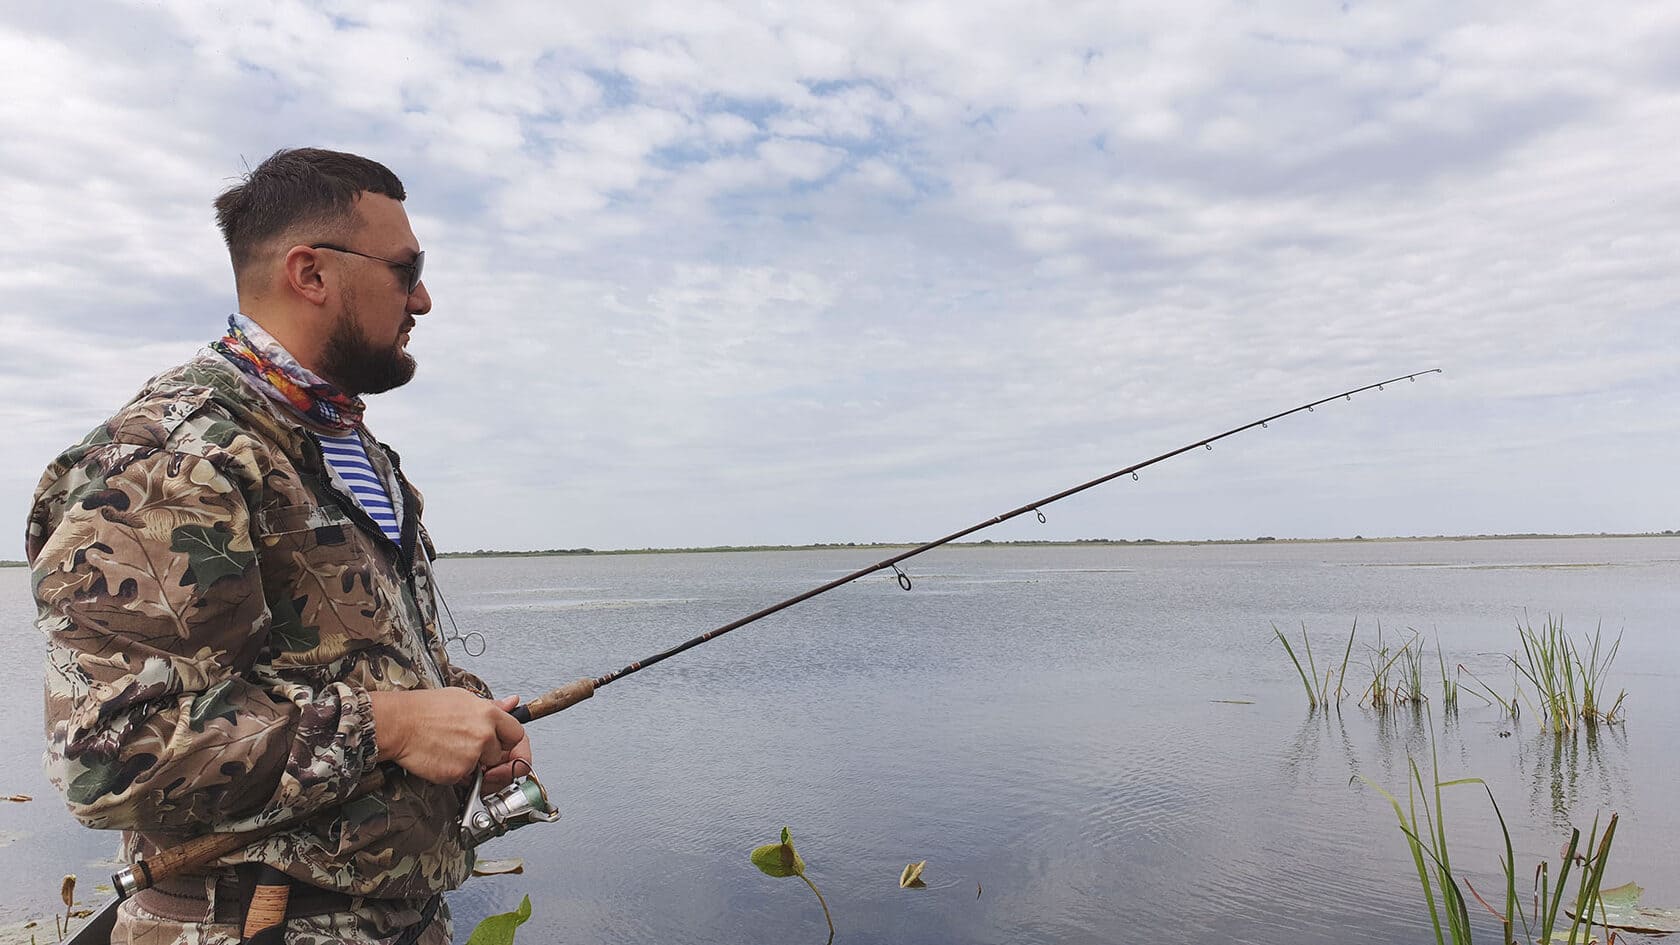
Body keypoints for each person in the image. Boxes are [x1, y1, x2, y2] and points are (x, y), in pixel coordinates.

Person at [26, 148, 530, 944]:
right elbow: (113, 757)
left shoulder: (344, 446)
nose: (424, 299)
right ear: (311, 273)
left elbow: (340, 661)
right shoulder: (171, 457)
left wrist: (459, 714)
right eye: (408, 269)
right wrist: (394, 726)